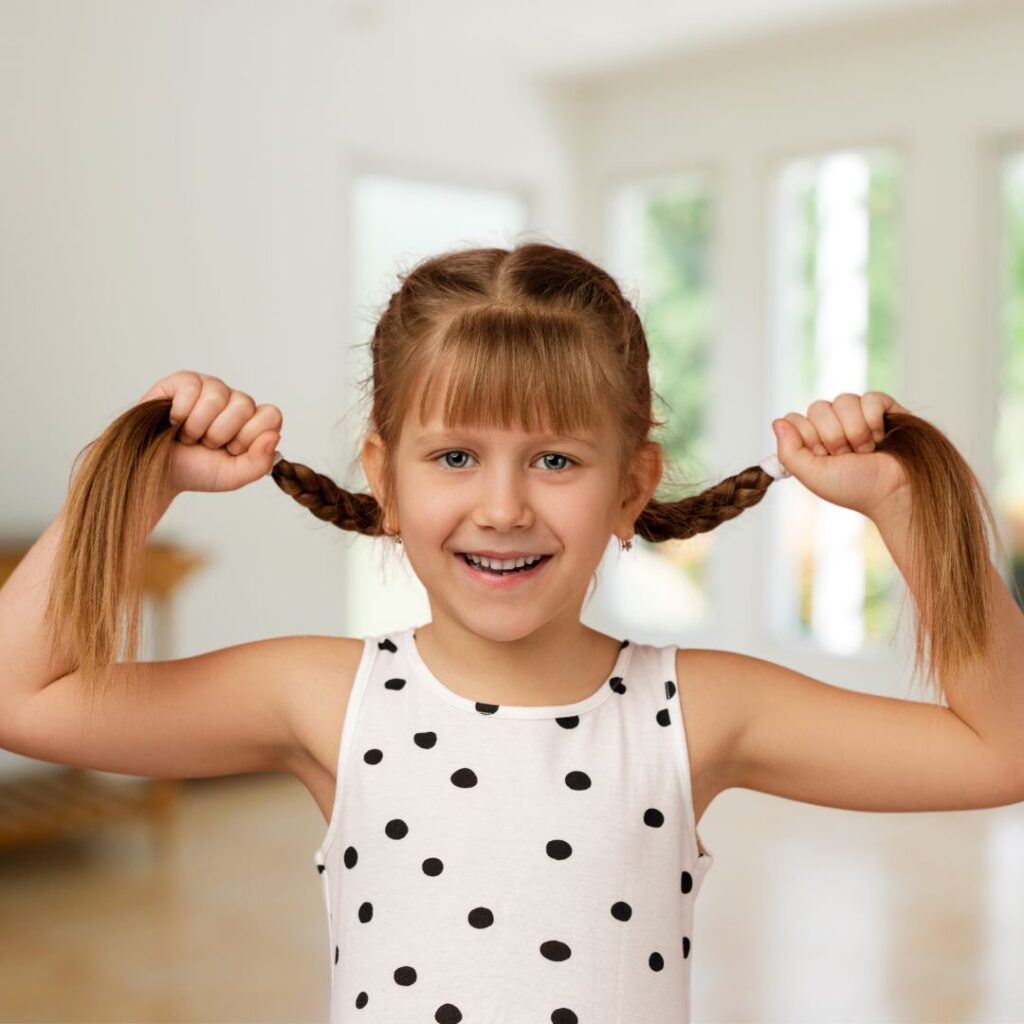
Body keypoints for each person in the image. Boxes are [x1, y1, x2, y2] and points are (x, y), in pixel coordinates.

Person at [2, 241, 1022, 1024]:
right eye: (452, 456)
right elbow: (19, 696)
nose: (501, 506)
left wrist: (901, 506)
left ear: (631, 485)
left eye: (555, 460)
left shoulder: (698, 708)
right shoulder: (321, 696)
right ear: (383, 476)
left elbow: (1000, 750)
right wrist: (139, 478)